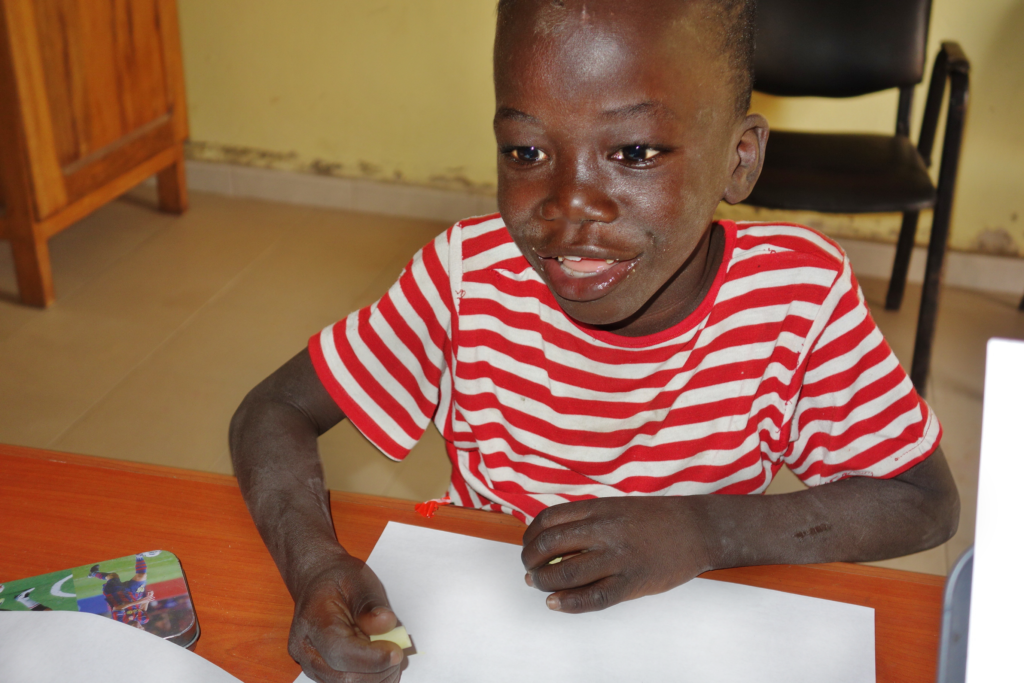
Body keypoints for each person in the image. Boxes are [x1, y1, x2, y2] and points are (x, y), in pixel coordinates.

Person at [229, 0, 960, 680]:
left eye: (635, 151)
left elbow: (924, 500)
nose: (569, 204)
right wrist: (314, 564)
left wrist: (705, 531)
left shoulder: (795, 295)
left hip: (694, 630)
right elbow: (272, 411)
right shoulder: (468, 275)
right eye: (525, 151)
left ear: (739, 159)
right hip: (486, 620)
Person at [89, 554, 156, 628]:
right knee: (141, 575)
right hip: (133, 594)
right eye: (141, 628)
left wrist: (139, 601)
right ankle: (139, 555)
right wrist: (147, 598)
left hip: (115, 594)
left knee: (113, 576)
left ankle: (94, 573)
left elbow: (117, 608)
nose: (139, 627)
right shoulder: (144, 619)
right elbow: (142, 610)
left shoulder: (120, 622)